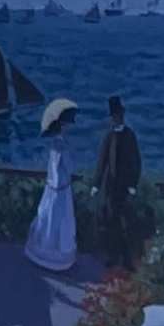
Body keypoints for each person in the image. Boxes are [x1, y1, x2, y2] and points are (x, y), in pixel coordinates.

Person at [23, 94, 80, 273]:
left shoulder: (55, 145)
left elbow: (54, 171)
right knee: (57, 222)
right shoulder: (61, 145)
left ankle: (44, 254)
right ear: (62, 126)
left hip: (53, 189)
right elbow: (66, 169)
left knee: (49, 221)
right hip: (60, 191)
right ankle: (54, 258)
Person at [90, 94, 147, 264]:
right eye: (114, 117)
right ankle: (113, 256)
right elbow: (102, 162)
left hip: (125, 187)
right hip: (110, 186)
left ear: (122, 116)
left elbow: (136, 162)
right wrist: (96, 184)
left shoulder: (130, 135)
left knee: (126, 221)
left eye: (118, 116)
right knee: (111, 221)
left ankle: (127, 257)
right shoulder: (109, 137)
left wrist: (133, 184)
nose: (116, 119)